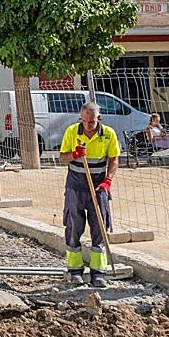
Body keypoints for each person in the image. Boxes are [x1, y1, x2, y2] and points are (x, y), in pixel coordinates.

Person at [58, 101, 120, 288]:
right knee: (73, 226)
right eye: (84, 121)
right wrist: (75, 154)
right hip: (75, 187)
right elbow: (62, 158)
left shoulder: (108, 134)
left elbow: (114, 159)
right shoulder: (72, 132)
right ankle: (75, 270)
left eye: (91, 122)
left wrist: (108, 180)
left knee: (99, 228)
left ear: (98, 118)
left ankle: (98, 272)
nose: (87, 125)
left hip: (98, 187)